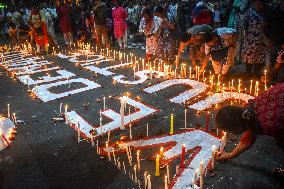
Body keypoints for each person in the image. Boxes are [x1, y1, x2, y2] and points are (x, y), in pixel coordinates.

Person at [215, 82, 284, 163]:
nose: (231, 134)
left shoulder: (268, 124)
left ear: (238, 129)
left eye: (230, 131)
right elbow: (248, 138)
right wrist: (230, 155)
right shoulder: (251, 109)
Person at [241, 0, 266, 78]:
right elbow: (244, 23)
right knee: (248, 55)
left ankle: (256, 73)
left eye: (260, 4)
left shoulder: (266, 13)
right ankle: (248, 72)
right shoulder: (250, 11)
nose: (258, 6)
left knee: (259, 56)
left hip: (261, 38)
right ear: (253, 4)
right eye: (257, 4)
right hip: (250, 38)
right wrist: (245, 34)